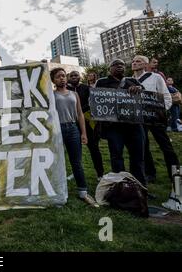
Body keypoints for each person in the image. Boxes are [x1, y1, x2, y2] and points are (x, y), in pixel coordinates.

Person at [51, 68, 98, 207]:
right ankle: (58, 192)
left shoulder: (74, 94)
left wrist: (83, 133)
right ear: (53, 80)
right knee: (57, 162)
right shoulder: (51, 95)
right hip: (57, 130)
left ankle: (83, 192)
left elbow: (80, 115)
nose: (62, 78)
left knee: (76, 162)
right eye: (58, 76)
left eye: (64, 76)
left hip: (73, 129)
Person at [95, 59, 147, 186]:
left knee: (138, 157)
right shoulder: (102, 82)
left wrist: (139, 89)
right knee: (116, 156)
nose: (120, 66)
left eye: (122, 65)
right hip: (114, 128)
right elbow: (97, 100)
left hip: (134, 126)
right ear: (110, 68)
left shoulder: (133, 81)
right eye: (116, 65)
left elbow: (145, 97)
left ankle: (140, 185)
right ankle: (120, 185)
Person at [131, 55, 180, 184]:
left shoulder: (156, 77)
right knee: (143, 147)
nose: (134, 63)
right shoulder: (129, 80)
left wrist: (162, 112)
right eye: (133, 61)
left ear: (146, 65)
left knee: (166, 146)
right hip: (140, 119)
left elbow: (166, 96)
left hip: (156, 118)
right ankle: (150, 173)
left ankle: (176, 175)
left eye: (138, 61)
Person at [67, 71, 104, 180]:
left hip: (87, 122)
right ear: (69, 78)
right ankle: (76, 172)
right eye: (71, 76)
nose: (74, 77)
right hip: (72, 122)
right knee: (75, 150)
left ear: (80, 77)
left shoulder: (86, 88)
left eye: (76, 75)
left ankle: (100, 173)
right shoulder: (66, 90)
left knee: (94, 148)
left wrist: (81, 112)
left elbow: (92, 102)